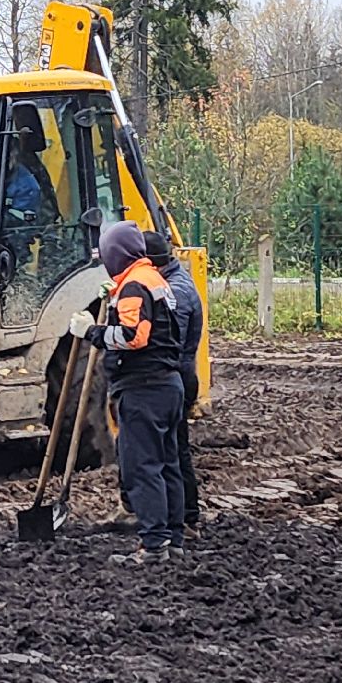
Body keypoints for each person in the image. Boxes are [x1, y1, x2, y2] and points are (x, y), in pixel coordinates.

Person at [75, 221, 183, 563]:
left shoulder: (135, 286)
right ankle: (173, 539)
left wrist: (92, 331)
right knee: (167, 465)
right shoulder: (154, 279)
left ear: (115, 255)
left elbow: (134, 337)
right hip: (168, 384)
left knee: (142, 467)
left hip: (144, 388)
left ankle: (153, 546)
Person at [144, 230, 205, 536]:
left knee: (173, 451)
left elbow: (167, 341)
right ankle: (182, 516)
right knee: (173, 449)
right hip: (179, 374)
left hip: (175, 376)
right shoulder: (174, 281)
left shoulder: (175, 292)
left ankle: (185, 517)